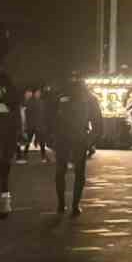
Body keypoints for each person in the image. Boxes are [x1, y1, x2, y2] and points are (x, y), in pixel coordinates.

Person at [49, 71, 100, 216]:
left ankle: (61, 204)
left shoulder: (59, 95)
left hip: (62, 137)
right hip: (79, 138)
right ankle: (75, 205)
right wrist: (90, 141)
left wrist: (51, 137)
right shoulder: (89, 98)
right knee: (79, 172)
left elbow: (50, 118)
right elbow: (97, 122)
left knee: (60, 171)